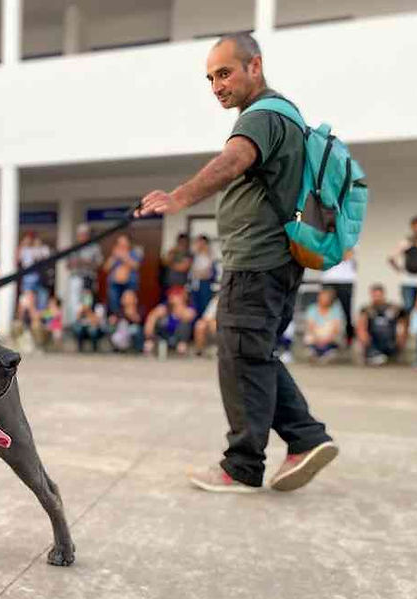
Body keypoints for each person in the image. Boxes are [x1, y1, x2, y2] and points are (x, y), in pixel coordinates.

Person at [137, 32, 337, 493]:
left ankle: (242, 466)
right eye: (210, 78)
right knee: (254, 353)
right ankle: (306, 438)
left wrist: (180, 196)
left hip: (257, 262)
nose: (216, 85)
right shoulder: (286, 115)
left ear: (255, 66)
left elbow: (234, 158)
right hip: (275, 260)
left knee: (240, 356)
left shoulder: (264, 114)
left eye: (224, 72)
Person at [387, 215, 417, 314]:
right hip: (408, 279)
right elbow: (391, 258)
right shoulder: (406, 242)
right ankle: (409, 328)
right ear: (412, 227)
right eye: (416, 226)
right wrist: (399, 270)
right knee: (408, 308)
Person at [356, 284, 407, 366]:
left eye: (379, 295)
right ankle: (373, 355)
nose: (377, 297)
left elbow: (403, 323)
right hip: (374, 342)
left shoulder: (394, 308)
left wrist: (401, 337)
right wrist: (363, 340)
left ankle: (391, 355)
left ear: (383, 294)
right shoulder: (366, 309)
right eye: (374, 295)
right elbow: (361, 326)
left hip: (390, 341)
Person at [143, 286, 197, 357]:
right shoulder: (164, 307)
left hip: (179, 337)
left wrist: (177, 307)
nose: (171, 297)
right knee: (158, 321)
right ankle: (150, 345)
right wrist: (153, 318)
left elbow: (188, 316)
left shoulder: (190, 308)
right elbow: (152, 317)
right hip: (165, 335)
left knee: (184, 326)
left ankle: (181, 350)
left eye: (175, 295)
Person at [66, 223, 101, 326]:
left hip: (88, 279)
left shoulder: (94, 247)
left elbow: (99, 263)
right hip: (75, 278)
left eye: (84, 234)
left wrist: (85, 262)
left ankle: (88, 324)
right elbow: (67, 265)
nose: (82, 236)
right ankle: (75, 324)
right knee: (74, 302)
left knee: (87, 302)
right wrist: (73, 263)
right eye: (80, 234)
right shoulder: (74, 248)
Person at [320, 248, 357, 345]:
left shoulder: (349, 237)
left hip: (345, 280)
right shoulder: (325, 236)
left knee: (347, 311)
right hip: (328, 279)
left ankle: (349, 337)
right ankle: (325, 339)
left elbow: (347, 255)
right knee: (325, 311)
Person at [303, 287, 346, 363]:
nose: (324, 299)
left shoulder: (336, 310)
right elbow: (310, 326)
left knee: (332, 329)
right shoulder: (312, 309)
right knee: (309, 336)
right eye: (322, 296)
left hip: (329, 337)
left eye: (327, 297)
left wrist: (326, 340)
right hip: (316, 336)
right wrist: (318, 339)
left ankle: (328, 354)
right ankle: (314, 354)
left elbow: (336, 327)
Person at [104, 233, 141, 315]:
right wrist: (114, 257)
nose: (121, 244)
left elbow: (136, 266)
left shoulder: (134, 253)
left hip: (129, 284)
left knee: (129, 305)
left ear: (128, 243)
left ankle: (128, 321)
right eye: (119, 242)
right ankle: (115, 319)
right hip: (115, 285)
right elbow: (106, 268)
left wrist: (124, 257)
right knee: (113, 304)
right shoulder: (114, 254)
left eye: (123, 242)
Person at [17, 232, 51, 309]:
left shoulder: (43, 249)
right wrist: (22, 245)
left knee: (42, 298)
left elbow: (45, 258)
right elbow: (18, 259)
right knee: (28, 299)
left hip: (41, 278)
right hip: (28, 278)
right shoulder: (24, 249)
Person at [109, 289, 144, 354]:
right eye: (126, 298)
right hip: (121, 334)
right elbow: (113, 320)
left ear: (135, 299)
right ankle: (117, 349)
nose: (128, 300)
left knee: (136, 329)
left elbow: (137, 319)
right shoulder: (119, 311)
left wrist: (129, 313)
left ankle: (139, 350)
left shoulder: (140, 309)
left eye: (130, 297)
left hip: (133, 333)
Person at [189, 234, 217, 315]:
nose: (200, 245)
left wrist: (199, 273)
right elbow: (191, 271)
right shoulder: (195, 255)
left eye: (202, 243)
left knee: (205, 305)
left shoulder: (210, 255)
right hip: (195, 283)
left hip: (205, 284)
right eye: (198, 242)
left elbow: (209, 273)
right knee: (195, 305)